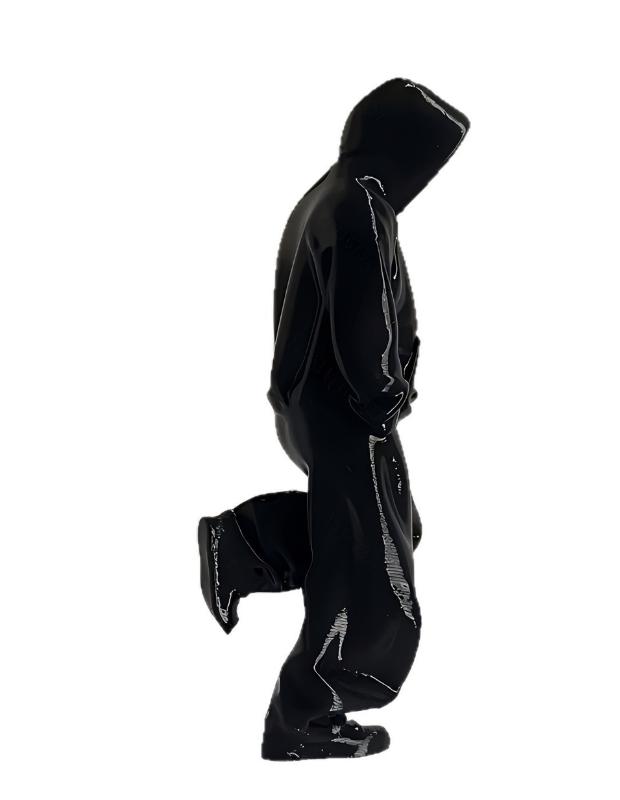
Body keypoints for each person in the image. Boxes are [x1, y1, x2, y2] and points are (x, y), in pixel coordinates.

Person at [198, 78, 469, 760]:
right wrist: (382, 394)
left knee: (389, 528)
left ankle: (245, 544)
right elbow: (362, 317)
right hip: (348, 408)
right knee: (372, 567)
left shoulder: (325, 195)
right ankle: (306, 716)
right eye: (430, 157)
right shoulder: (360, 208)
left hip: (311, 406)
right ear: (401, 149)